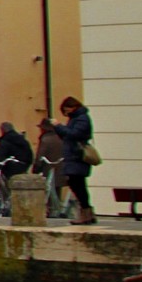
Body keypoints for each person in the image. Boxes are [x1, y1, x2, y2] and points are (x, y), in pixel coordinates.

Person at [44, 96, 97, 224]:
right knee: (76, 184)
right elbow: (67, 135)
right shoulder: (76, 119)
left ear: (73, 107)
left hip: (77, 157)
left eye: (66, 110)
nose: (66, 113)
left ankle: (86, 213)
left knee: (77, 184)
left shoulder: (82, 118)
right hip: (73, 157)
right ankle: (87, 212)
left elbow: (74, 134)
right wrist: (58, 129)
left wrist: (59, 126)